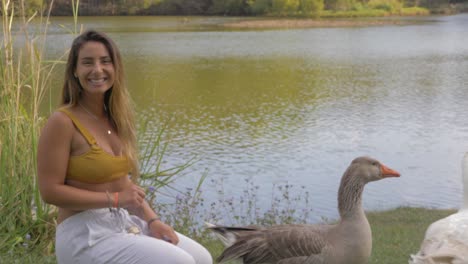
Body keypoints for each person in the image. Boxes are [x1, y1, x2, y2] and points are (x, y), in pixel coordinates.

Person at [37, 30, 213, 264]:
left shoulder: (116, 119)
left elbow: (123, 183)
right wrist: (115, 199)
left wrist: (152, 221)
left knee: (201, 257)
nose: (97, 70)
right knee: (182, 262)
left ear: (116, 68)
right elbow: (50, 192)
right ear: (75, 72)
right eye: (87, 62)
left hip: (120, 222)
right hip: (84, 235)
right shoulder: (63, 122)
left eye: (105, 61)